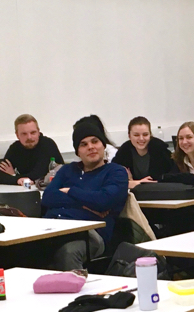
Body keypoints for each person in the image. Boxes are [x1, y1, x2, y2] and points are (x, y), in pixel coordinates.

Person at [41, 115, 129, 269]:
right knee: (23, 249)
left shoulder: (115, 172)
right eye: (84, 144)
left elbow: (104, 201)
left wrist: (70, 191)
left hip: (90, 235)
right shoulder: (68, 170)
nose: (90, 147)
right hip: (54, 228)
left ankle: (75, 285)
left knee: (68, 252)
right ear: (78, 152)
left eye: (95, 141)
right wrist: (86, 204)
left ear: (103, 145)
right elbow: (48, 197)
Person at [0, 114, 62, 187]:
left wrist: (14, 175)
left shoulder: (47, 144)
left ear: (38, 132)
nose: (29, 137)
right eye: (24, 134)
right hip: (28, 189)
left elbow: (37, 175)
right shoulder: (15, 148)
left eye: (33, 133)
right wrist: (17, 179)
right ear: (17, 135)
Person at [113, 116, 174, 187]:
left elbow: (171, 176)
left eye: (145, 134)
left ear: (150, 135)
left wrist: (133, 182)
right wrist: (136, 183)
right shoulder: (123, 152)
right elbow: (113, 178)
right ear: (129, 136)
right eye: (136, 135)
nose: (141, 139)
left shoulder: (161, 150)